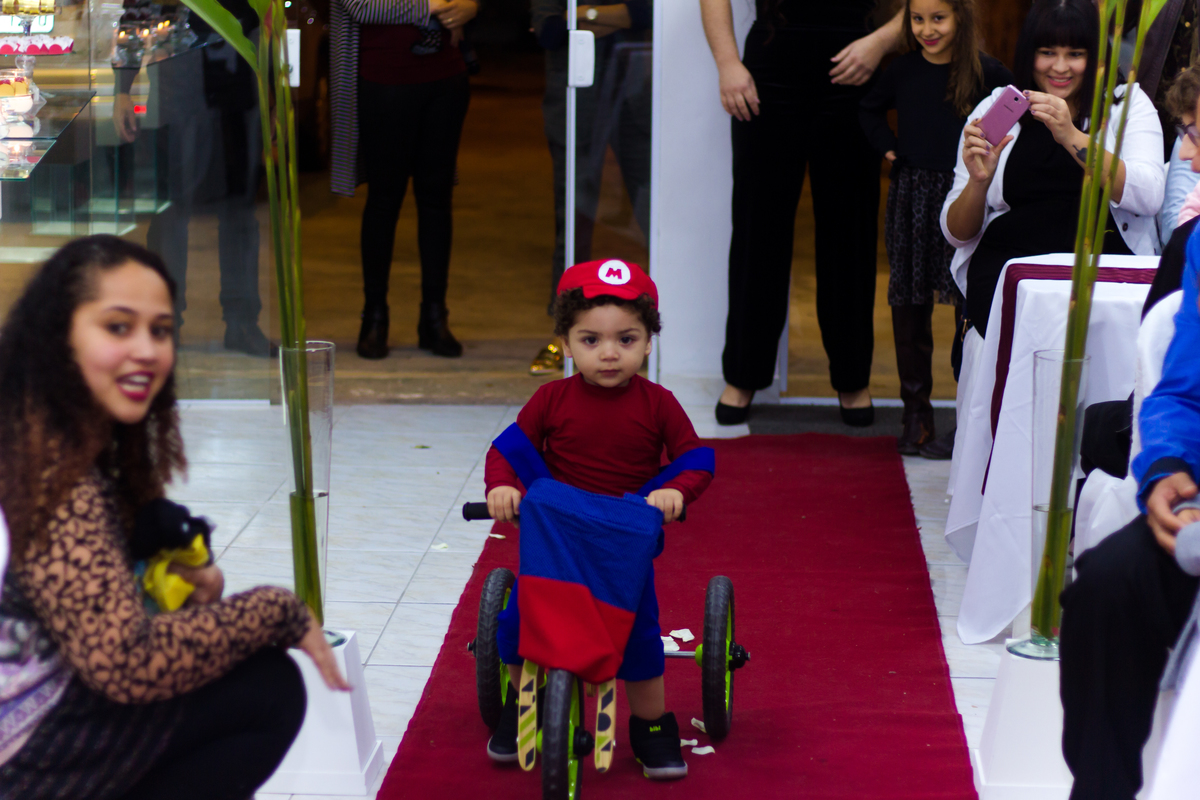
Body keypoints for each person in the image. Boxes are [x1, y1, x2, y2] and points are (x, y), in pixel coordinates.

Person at [0, 236, 348, 799]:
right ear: (58, 336)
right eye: (118, 327)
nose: (146, 349)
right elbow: (126, 661)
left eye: (160, 330)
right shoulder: (50, 471)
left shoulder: (41, 433)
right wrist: (275, 611)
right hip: (18, 763)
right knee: (267, 687)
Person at [483, 259, 712, 779]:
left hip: (623, 543)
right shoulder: (551, 399)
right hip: (555, 541)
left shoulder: (658, 404)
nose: (609, 353)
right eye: (591, 340)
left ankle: (651, 726)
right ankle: (525, 702)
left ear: (648, 343)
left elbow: (696, 458)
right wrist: (501, 487)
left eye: (626, 339)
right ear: (565, 344)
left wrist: (674, 491)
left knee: (639, 636)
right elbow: (508, 450)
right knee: (516, 624)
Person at [700, 0, 907, 427]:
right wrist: (727, 63)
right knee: (759, 227)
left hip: (855, 66)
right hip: (769, 68)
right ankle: (743, 374)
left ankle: (852, 378)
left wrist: (880, 42)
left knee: (850, 230)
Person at [941, 0, 1164, 344]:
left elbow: (1149, 196)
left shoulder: (1126, 104)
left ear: (1096, 57)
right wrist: (978, 182)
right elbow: (956, 234)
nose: (1060, 67)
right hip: (1011, 277)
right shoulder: (997, 108)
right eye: (1047, 52)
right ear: (1029, 54)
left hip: (1102, 275)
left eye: (1075, 54)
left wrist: (1071, 136)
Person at [858, 0, 1012, 454]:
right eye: (918, 19)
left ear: (961, 17)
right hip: (911, 195)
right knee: (909, 303)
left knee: (968, 303)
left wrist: (995, 165)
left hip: (965, 196)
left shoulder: (987, 73)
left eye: (938, 18)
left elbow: (1015, 114)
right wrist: (889, 148)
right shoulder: (902, 70)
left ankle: (968, 415)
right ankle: (916, 414)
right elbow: (868, 109)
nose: (927, 29)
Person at [112, 0, 272, 358]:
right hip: (179, 87)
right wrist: (123, 88)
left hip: (240, 87)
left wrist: (272, 97)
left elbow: (264, 21)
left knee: (240, 212)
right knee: (171, 212)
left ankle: (242, 322)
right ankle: (165, 322)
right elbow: (136, 13)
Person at [329, 0, 479, 360]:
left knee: (436, 200)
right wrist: (434, 5)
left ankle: (434, 318)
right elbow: (361, 6)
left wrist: (472, 5)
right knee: (384, 200)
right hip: (384, 78)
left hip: (446, 76)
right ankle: (374, 316)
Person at [528, 0, 653, 376]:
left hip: (638, 99)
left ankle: (660, 334)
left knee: (656, 218)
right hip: (575, 101)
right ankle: (564, 337)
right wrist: (619, 17)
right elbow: (550, 30)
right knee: (572, 224)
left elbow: (646, 14)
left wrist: (583, 16)